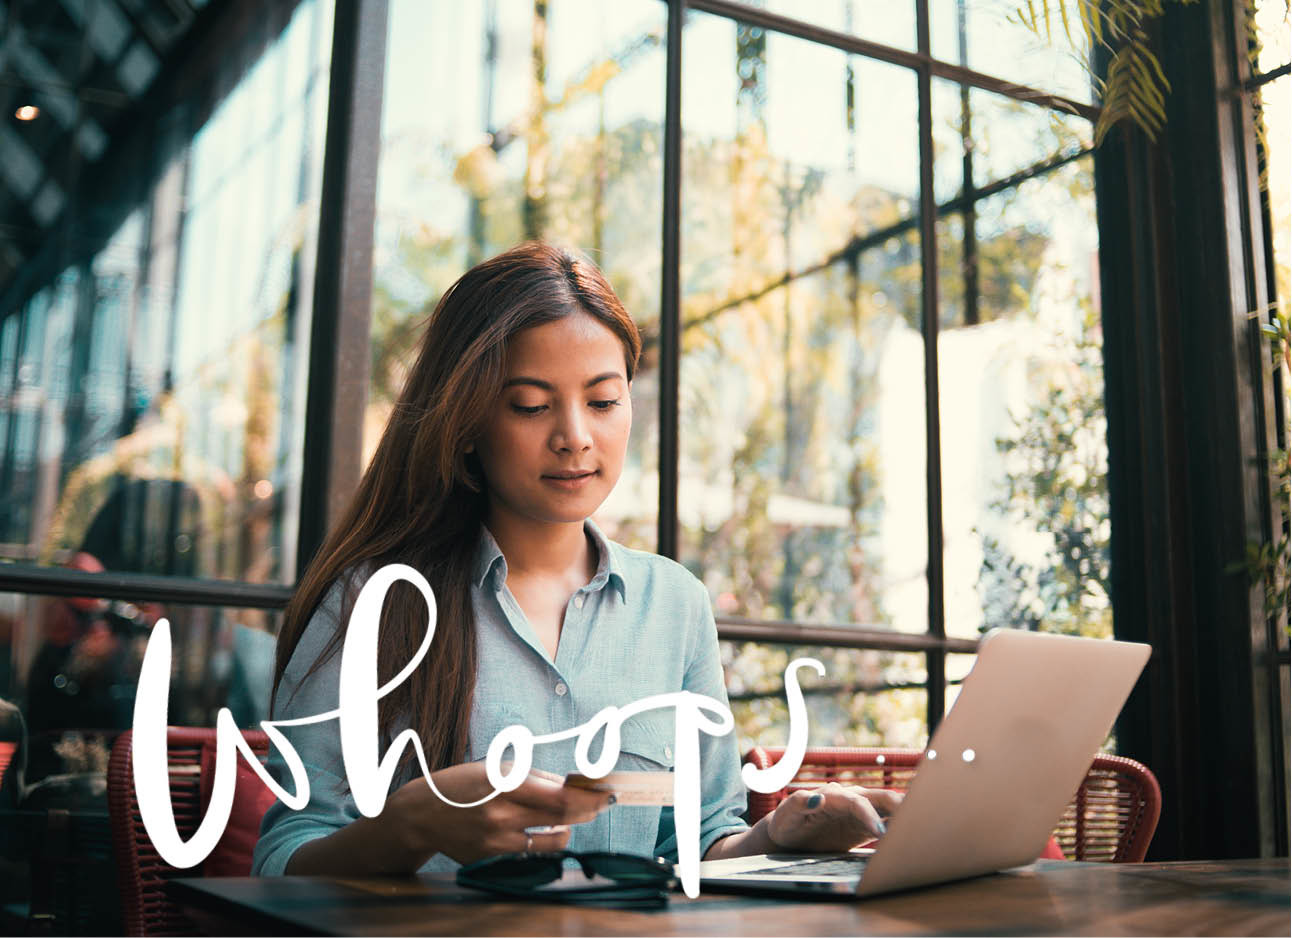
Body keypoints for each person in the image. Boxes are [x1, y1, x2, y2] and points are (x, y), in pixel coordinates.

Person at [252, 242, 899, 877]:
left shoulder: (674, 604)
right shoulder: (379, 601)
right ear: (468, 419)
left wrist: (778, 833)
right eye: (531, 405)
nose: (574, 437)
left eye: (602, 401)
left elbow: (698, 845)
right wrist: (411, 826)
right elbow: (282, 862)